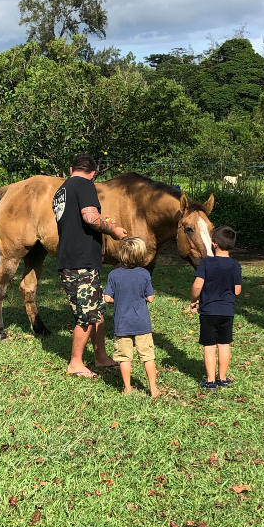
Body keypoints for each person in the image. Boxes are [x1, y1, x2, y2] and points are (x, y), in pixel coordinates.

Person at [53, 154, 128, 378]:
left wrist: (99, 219)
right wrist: (112, 230)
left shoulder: (62, 190)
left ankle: (101, 356)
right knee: (86, 315)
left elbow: (81, 219)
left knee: (97, 311)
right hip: (79, 261)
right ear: (93, 173)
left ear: (71, 168)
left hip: (74, 258)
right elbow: (90, 218)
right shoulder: (85, 185)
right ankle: (75, 363)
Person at [103, 237, 159, 397]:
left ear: (121, 255)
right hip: (142, 323)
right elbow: (151, 298)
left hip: (122, 324)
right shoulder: (145, 274)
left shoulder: (114, 275)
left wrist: (118, 299)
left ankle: (127, 388)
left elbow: (107, 298)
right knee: (148, 356)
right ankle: (153, 389)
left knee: (124, 358)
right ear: (141, 255)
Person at [190, 226, 243, 390]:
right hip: (227, 311)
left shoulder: (206, 262)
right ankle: (223, 378)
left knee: (209, 346)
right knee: (224, 344)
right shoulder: (235, 265)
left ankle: (210, 381)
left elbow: (197, 286)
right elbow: (237, 290)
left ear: (213, 243)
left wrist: (193, 300)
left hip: (208, 311)